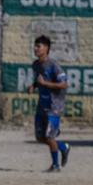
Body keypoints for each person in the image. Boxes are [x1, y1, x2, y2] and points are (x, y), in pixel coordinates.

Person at [27, 35, 70, 172]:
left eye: (38, 46)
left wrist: (44, 83)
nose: (35, 48)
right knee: (40, 137)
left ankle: (56, 166)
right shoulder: (35, 64)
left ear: (46, 48)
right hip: (42, 104)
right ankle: (63, 147)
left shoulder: (54, 65)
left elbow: (64, 84)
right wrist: (34, 85)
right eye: (35, 45)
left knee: (49, 136)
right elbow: (39, 79)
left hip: (55, 106)